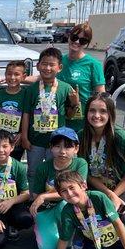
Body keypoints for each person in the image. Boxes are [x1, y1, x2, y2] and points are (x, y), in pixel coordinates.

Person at [78, 92, 125, 229]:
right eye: (92, 111)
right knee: (86, 215)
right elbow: (86, 173)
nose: (96, 115)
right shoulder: (81, 136)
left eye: (103, 111)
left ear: (110, 114)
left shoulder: (122, 138)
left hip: (124, 186)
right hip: (97, 186)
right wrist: (108, 194)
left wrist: (114, 195)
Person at [21, 47, 78, 189]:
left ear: (59, 67)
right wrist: (24, 137)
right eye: (44, 64)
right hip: (35, 140)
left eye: (52, 65)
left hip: (58, 142)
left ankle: (58, 197)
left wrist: (75, 103)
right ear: (38, 65)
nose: (47, 68)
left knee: (59, 172)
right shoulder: (31, 89)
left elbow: (70, 116)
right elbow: (26, 114)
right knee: (33, 171)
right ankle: (34, 198)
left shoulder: (66, 88)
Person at [30, 127, 88, 249]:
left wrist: (46, 195)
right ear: (51, 147)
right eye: (57, 146)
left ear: (76, 149)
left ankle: (72, 239)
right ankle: (40, 227)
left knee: (67, 203)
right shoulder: (43, 167)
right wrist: (42, 197)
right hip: (46, 210)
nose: (62, 151)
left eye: (68, 147)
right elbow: (36, 196)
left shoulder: (80, 164)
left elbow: (77, 192)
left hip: (67, 206)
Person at [0, 130, 32, 249]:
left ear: (12, 147)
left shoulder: (18, 167)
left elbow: (26, 194)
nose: (1, 150)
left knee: (27, 219)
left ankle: (11, 225)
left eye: (5, 146)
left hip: (12, 205)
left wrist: (11, 201)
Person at [57, 23, 105, 132]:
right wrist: (19, 78)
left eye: (83, 41)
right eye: (74, 37)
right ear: (69, 36)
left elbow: (101, 94)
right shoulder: (59, 61)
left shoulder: (93, 64)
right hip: (60, 119)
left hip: (82, 124)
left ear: (87, 43)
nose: (77, 42)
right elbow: (42, 77)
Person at [0, 60, 28, 161]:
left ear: (23, 77)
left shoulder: (26, 94)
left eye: (16, 74)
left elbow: (27, 116)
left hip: (16, 141)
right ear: (5, 75)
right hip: (1, 141)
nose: (12, 78)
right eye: (9, 74)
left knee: (14, 166)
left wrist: (22, 134)